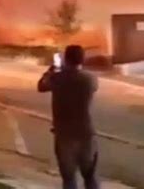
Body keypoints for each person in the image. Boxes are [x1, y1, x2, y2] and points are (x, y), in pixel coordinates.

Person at [38, 45, 100, 189]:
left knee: (69, 179)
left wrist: (50, 71)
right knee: (90, 177)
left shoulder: (57, 78)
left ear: (66, 59)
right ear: (82, 59)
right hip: (86, 133)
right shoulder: (90, 79)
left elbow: (41, 86)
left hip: (64, 134)